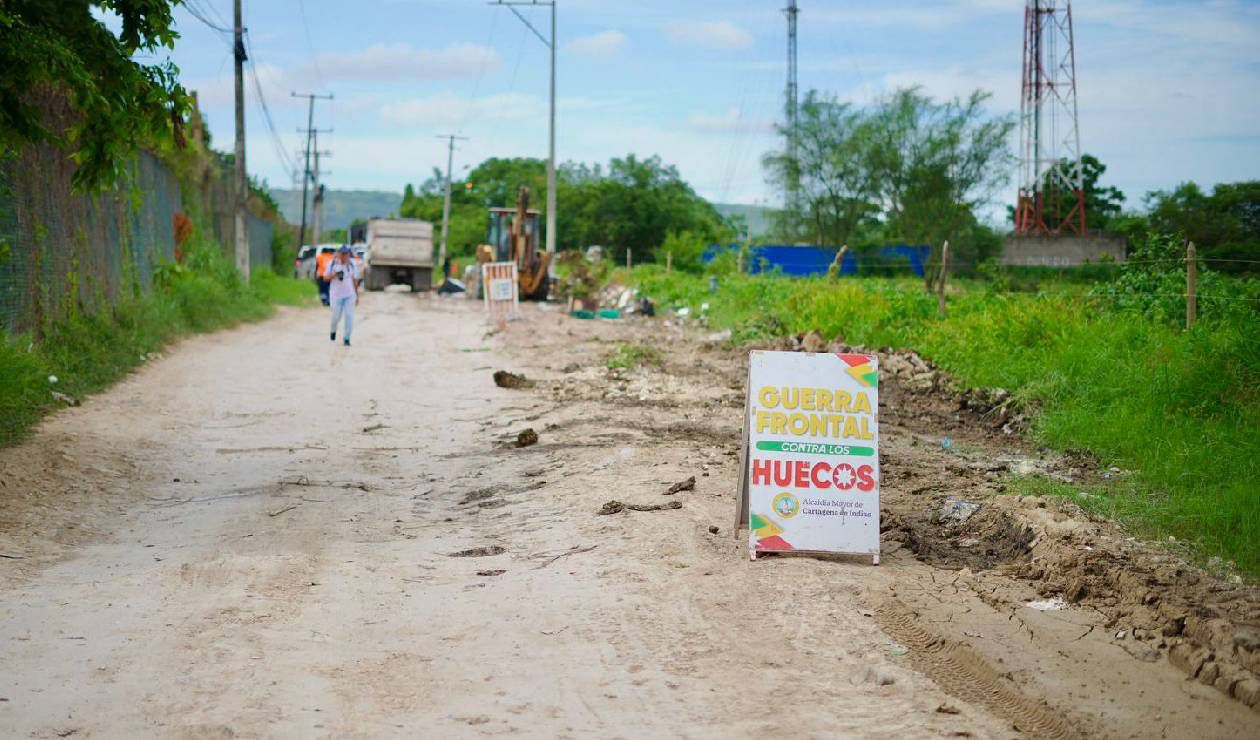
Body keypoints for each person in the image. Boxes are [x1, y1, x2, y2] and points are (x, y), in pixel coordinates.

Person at [325, 246, 360, 346]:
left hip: (349, 295)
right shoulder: (332, 264)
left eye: (347, 254)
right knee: (336, 317)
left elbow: (355, 280)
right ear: (339, 254)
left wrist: (357, 295)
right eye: (343, 254)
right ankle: (333, 330)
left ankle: (346, 338)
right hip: (336, 295)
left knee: (349, 316)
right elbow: (325, 278)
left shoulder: (352, 264)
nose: (345, 256)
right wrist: (334, 275)